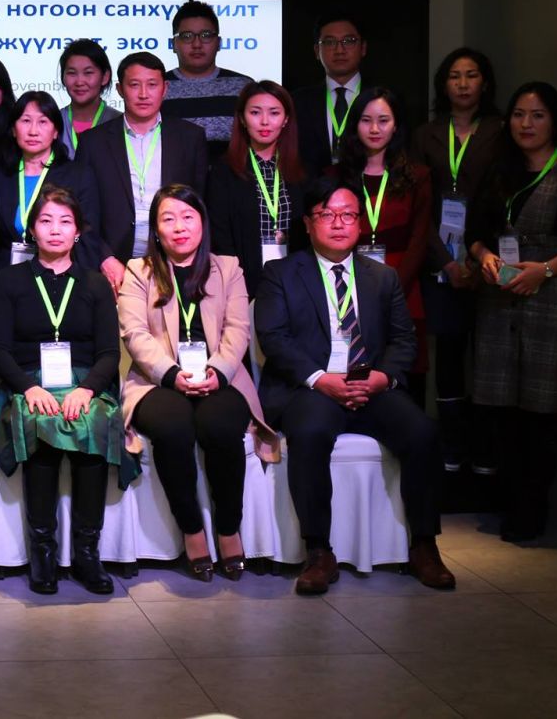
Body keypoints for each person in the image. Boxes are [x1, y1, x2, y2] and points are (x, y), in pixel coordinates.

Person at [254, 176, 455, 594]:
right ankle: (318, 551)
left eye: (347, 214)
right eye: (327, 214)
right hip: (311, 387)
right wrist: (320, 379)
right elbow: (274, 339)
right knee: (309, 432)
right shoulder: (281, 273)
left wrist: (383, 377)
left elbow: (404, 340)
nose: (338, 223)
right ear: (308, 223)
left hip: (370, 385)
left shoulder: (382, 277)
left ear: (360, 222)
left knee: (422, 432)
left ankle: (424, 545)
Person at [119, 185, 277, 582]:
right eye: (168, 219)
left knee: (219, 425)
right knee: (173, 427)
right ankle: (191, 530)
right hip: (157, 381)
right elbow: (134, 333)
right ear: (156, 230)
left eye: (188, 217)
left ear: (202, 224)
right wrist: (172, 374)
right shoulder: (138, 271)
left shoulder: (228, 268)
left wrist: (218, 372)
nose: (179, 227)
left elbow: (238, 329)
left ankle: (228, 528)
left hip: (221, 377)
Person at [0, 186, 125, 594]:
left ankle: (87, 552)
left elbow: (109, 353)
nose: (55, 229)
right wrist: (29, 388)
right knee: (41, 422)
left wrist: (88, 390)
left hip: (84, 383)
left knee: (93, 422)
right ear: (32, 229)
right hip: (28, 382)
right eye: (45, 221)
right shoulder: (9, 280)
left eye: (65, 222)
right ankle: (43, 552)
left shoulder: (96, 283)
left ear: (78, 231)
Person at [467, 82, 557, 542]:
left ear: (554, 121)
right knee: (500, 409)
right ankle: (508, 498)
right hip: (498, 302)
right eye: (518, 114)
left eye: (537, 115)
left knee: (541, 410)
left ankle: (533, 505)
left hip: (549, 302)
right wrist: (483, 256)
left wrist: (546, 271)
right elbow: (475, 233)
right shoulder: (499, 171)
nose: (526, 124)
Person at [409, 47, 503, 472]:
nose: (463, 84)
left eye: (472, 75)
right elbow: (419, 207)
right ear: (443, 84)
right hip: (439, 260)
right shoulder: (425, 134)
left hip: (489, 257)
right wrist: (446, 262)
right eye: (454, 76)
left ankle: (485, 447)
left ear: (485, 82)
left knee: (488, 354)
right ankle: (451, 445)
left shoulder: (502, 131)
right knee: (447, 352)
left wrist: (482, 257)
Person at [74, 51, 210, 293]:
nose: (144, 94)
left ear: (165, 88)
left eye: (152, 85)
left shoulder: (190, 138)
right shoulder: (93, 142)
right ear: (120, 89)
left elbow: (200, 203)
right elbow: (81, 211)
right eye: (134, 85)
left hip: (174, 260)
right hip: (113, 266)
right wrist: (104, 257)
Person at [334, 87, 432, 401]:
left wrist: (393, 288)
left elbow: (420, 239)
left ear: (396, 125)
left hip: (404, 283)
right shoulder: (336, 175)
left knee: (405, 373)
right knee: (353, 369)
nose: (374, 129)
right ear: (355, 125)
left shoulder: (418, 176)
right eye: (366, 120)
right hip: (348, 282)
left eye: (383, 120)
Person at [0, 90, 106, 279]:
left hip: (60, 278)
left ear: (56, 131)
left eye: (43, 122)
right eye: (26, 121)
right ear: (13, 129)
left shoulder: (79, 176)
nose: (33, 131)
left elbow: (87, 239)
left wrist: (80, 284)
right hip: (6, 277)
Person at [208, 80, 307, 299]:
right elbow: (220, 236)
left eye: (274, 113)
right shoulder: (224, 171)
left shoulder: (302, 169)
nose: (264, 121)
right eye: (255, 112)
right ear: (243, 119)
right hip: (242, 283)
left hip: (296, 281)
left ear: (286, 119)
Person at [161, 1, 251, 161]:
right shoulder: (157, 88)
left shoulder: (243, 87)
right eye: (187, 36)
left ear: (219, 43)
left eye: (206, 35)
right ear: (174, 44)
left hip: (233, 176)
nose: (197, 44)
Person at [294, 12, 370, 179]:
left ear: (363, 48)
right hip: (312, 192)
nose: (339, 50)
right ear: (317, 51)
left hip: (371, 192)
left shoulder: (381, 100)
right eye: (329, 42)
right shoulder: (298, 102)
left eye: (348, 41)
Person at [58, 39, 114, 157]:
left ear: (105, 76)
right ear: (63, 77)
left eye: (88, 73)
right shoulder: (53, 122)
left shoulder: (119, 123)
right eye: (72, 73)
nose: (79, 82)